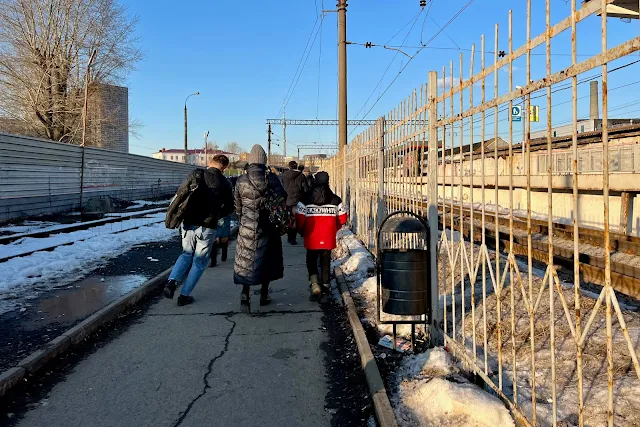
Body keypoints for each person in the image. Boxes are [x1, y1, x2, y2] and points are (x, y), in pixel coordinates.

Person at [163, 155, 233, 306]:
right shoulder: (225, 183)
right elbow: (229, 208)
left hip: (188, 222)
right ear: (224, 167)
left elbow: (181, 193)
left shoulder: (196, 174)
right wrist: (215, 214)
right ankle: (184, 296)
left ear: (210, 163)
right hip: (207, 227)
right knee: (199, 262)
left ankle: (172, 282)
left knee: (186, 254)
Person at [234, 145, 286, 313]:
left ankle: (244, 295)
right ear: (264, 160)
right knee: (266, 261)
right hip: (268, 227)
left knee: (246, 261)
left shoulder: (241, 180)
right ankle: (264, 295)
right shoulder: (271, 178)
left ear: (250, 160)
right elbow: (281, 199)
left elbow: (238, 206)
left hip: (247, 227)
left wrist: (243, 220)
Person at [296, 171, 348, 301]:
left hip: (311, 236)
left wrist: (302, 230)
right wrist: (334, 228)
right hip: (327, 237)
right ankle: (325, 288)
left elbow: (299, 218)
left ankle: (314, 284)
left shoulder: (305, 198)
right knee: (325, 262)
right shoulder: (335, 199)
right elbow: (343, 218)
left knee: (311, 260)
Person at [282, 160, 309, 245]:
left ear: (289, 166)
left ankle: (290, 237)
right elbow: (306, 189)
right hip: (298, 200)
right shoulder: (301, 176)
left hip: (288, 200)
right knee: (296, 220)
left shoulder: (284, 175)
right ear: (296, 166)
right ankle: (293, 238)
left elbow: (282, 187)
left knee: (289, 219)